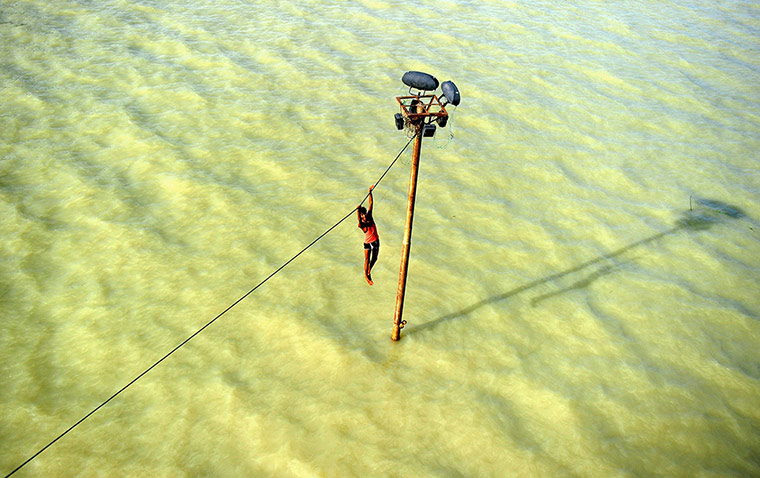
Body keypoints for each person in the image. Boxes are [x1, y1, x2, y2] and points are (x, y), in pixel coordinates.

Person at [357, 185, 380, 285]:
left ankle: (369, 270)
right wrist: (358, 210)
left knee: (374, 258)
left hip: (375, 241)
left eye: (364, 214)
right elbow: (358, 219)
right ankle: (366, 275)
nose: (364, 216)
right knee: (367, 259)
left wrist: (370, 192)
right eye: (362, 215)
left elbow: (371, 203)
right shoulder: (362, 225)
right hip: (367, 243)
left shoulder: (370, 217)